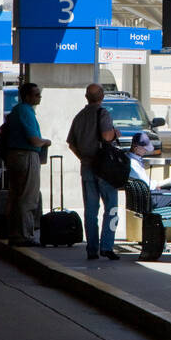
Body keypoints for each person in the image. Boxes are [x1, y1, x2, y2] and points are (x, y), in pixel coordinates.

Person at [66, 83, 119, 261]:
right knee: (111, 207)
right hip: (104, 168)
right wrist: (115, 133)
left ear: (86, 97)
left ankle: (92, 248)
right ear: (102, 96)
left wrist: (83, 157)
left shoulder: (79, 116)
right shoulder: (102, 113)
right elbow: (106, 136)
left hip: (87, 166)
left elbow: (71, 144)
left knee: (90, 210)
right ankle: (107, 246)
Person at [4, 82, 52, 247]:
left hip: (13, 156)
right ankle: (24, 235)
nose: (39, 97)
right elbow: (34, 139)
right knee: (28, 197)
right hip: (25, 156)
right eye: (37, 94)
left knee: (16, 195)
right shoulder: (26, 111)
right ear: (27, 96)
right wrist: (46, 141)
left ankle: (13, 232)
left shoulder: (16, 111)